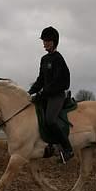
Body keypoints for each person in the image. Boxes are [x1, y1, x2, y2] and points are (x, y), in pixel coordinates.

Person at [28, 26, 74, 163]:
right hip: (46, 95)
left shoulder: (59, 59)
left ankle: (67, 149)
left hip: (57, 96)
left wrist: (44, 92)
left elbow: (62, 82)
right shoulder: (44, 59)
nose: (44, 43)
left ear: (53, 42)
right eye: (43, 40)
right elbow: (41, 80)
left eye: (47, 40)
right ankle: (47, 145)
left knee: (50, 119)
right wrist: (29, 92)